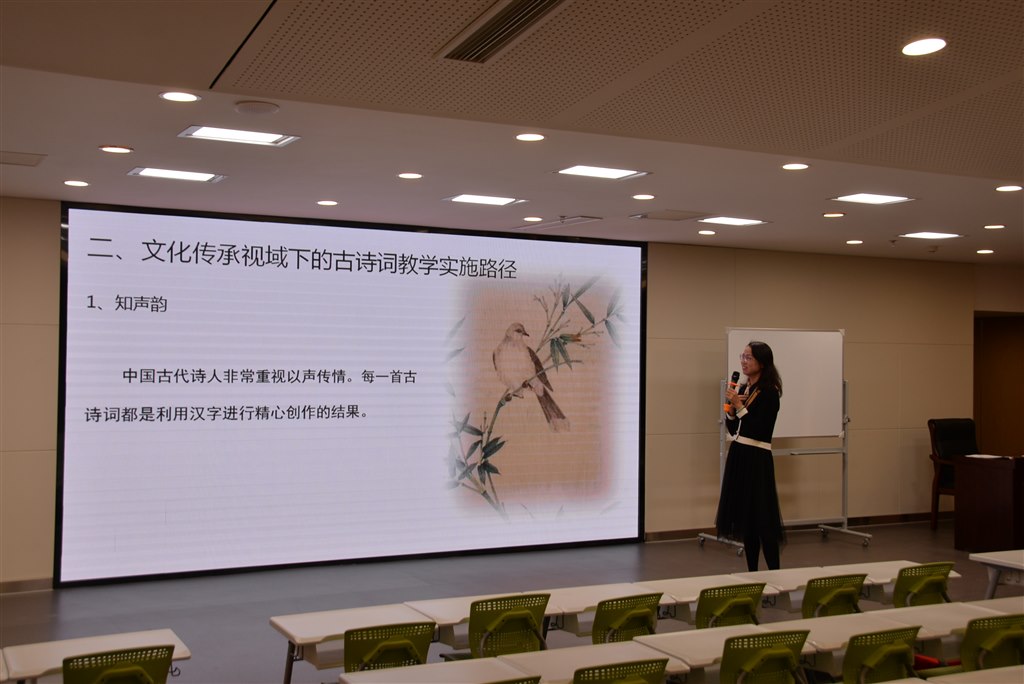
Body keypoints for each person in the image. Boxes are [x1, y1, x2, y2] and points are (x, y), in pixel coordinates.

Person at [715, 340, 785, 571]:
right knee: (747, 520)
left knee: (763, 519)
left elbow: (759, 428)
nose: (744, 362)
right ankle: (752, 572)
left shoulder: (769, 392)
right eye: (742, 357)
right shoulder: (745, 389)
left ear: (762, 363)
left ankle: (774, 572)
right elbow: (735, 428)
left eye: (749, 358)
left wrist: (739, 406)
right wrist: (732, 410)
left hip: (757, 458)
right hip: (740, 454)